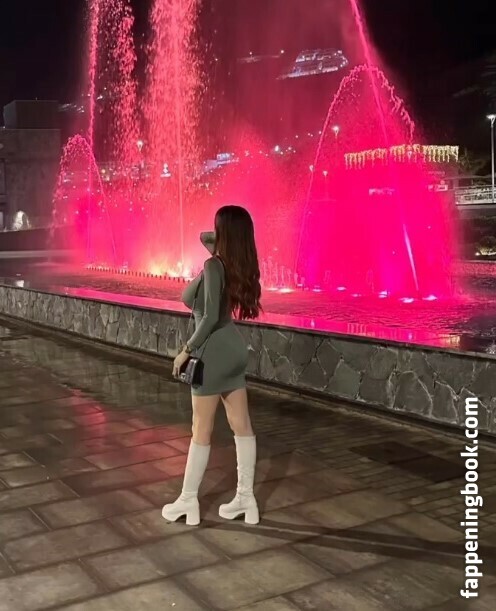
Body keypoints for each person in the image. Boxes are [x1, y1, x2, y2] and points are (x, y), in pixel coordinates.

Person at [162, 205, 262, 526]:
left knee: (200, 430)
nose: (211, 231)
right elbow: (204, 245)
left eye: (217, 226)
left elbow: (206, 316)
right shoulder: (230, 264)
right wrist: (221, 241)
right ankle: (246, 499)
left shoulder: (213, 265)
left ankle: (187, 501)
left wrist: (186, 350)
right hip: (234, 348)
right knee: (241, 425)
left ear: (224, 232)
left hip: (212, 351)